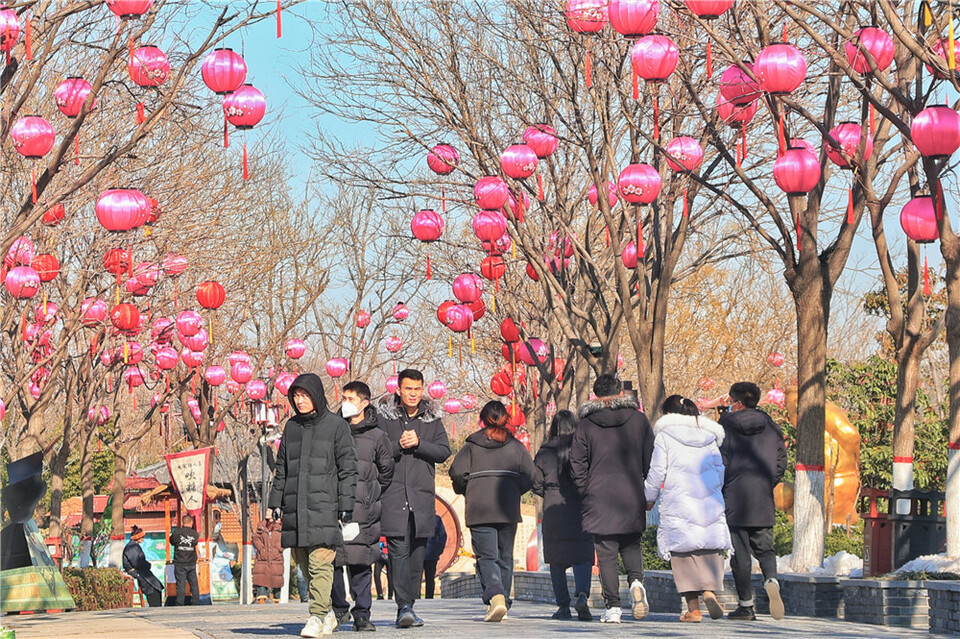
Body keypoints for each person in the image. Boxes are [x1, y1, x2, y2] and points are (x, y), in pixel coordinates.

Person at [268, 373, 359, 638]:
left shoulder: (336, 426)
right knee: (305, 566)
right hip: (295, 509)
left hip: (324, 507)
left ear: (317, 395)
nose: (300, 400)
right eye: (295, 396)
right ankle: (328, 613)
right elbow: (282, 470)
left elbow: (348, 468)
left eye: (305, 395)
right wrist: (274, 503)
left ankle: (316, 616)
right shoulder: (291, 427)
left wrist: (346, 504)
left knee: (321, 563)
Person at [571, 374, 654, 624]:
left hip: (599, 496)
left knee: (606, 553)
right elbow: (650, 458)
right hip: (631, 492)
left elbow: (576, 463)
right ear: (620, 392)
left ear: (595, 395)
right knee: (631, 543)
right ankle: (636, 582)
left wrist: (585, 489)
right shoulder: (638, 420)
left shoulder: (586, 424)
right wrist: (646, 490)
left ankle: (613, 607)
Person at [644, 395, 731, 623]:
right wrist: (713, 490)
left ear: (669, 414)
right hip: (708, 502)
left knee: (683, 555)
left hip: (678, 501)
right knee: (708, 550)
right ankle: (710, 592)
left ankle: (693, 610)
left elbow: (657, 471)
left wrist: (649, 497)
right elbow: (720, 469)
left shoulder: (665, 436)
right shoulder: (709, 437)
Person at [449, 400, 538, 622]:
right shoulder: (516, 447)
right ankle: (503, 602)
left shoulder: (471, 446)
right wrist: (515, 489)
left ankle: (496, 595)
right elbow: (531, 475)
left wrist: (465, 489)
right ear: (506, 420)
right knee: (505, 557)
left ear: (482, 420)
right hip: (507, 508)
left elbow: (457, 472)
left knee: (487, 556)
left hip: (480, 508)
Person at [376, 369, 451, 628]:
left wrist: (419, 443)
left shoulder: (431, 420)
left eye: (417, 389)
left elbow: (444, 451)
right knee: (398, 552)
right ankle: (403, 606)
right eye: (408, 389)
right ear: (398, 389)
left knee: (418, 554)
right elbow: (378, 452)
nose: (413, 394)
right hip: (394, 496)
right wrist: (398, 445)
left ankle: (409, 605)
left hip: (421, 498)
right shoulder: (383, 419)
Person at [719, 382, 788, 622]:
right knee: (765, 548)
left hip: (735, 497)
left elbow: (720, 460)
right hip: (762, 496)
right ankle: (771, 579)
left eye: (730, 400)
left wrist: (723, 485)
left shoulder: (725, 426)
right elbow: (781, 460)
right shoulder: (771, 426)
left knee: (741, 554)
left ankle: (746, 606)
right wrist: (769, 481)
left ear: (737, 402)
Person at [331, 381, 395, 632]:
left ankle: (362, 614)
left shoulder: (378, 436)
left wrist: (370, 493)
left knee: (361, 562)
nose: (345, 402)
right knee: (333, 561)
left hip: (364, 511)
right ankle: (337, 609)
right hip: (335, 507)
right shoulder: (334, 431)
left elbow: (387, 472)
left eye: (350, 398)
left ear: (365, 402)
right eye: (344, 397)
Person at [533, 410, 594, 622]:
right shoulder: (583, 450)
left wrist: (549, 492)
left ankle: (563, 606)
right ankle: (583, 595)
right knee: (583, 554)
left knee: (556, 559)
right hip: (579, 507)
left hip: (553, 508)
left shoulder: (544, 452)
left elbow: (535, 482)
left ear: (554, 428)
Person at [123, 525, 164, 607]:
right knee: (152, 589)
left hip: (142, 570)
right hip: (138, 571)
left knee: (157, 586)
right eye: (142, 537)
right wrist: (148, 565)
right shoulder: (131, 547)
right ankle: (154, 606)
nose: (144, 539)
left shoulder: (134, 546)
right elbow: (137, 563)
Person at [252, 514, 284, 603]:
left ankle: (276, 598)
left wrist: (278, 549)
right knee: (261, 577)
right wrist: (261, 549)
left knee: (276, 578)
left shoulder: (280, 527)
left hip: (276, 558)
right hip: (262, 558)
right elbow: (255, 538)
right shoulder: (261, 527)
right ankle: (261, 598)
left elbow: (285, 540)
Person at [170, 514, 200, 606]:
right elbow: (195, 544)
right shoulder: (195, 534)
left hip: (180, 563)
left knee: (180, 584)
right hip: (191, 562)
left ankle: (179, 603)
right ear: (191, 523)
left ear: (183, 522)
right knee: (194, 584)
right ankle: (195, 602)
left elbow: (171, 541)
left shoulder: (177, 533)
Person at [422, 515, 446, 599]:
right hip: (432, 553)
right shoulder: (436, 519)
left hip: (422, 552)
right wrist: (439, 550)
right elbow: (443, 536)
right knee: (430, 577)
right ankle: (429, 597)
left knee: (416, 577)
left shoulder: (418, 517)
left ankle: (416, 596)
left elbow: (442, 536)